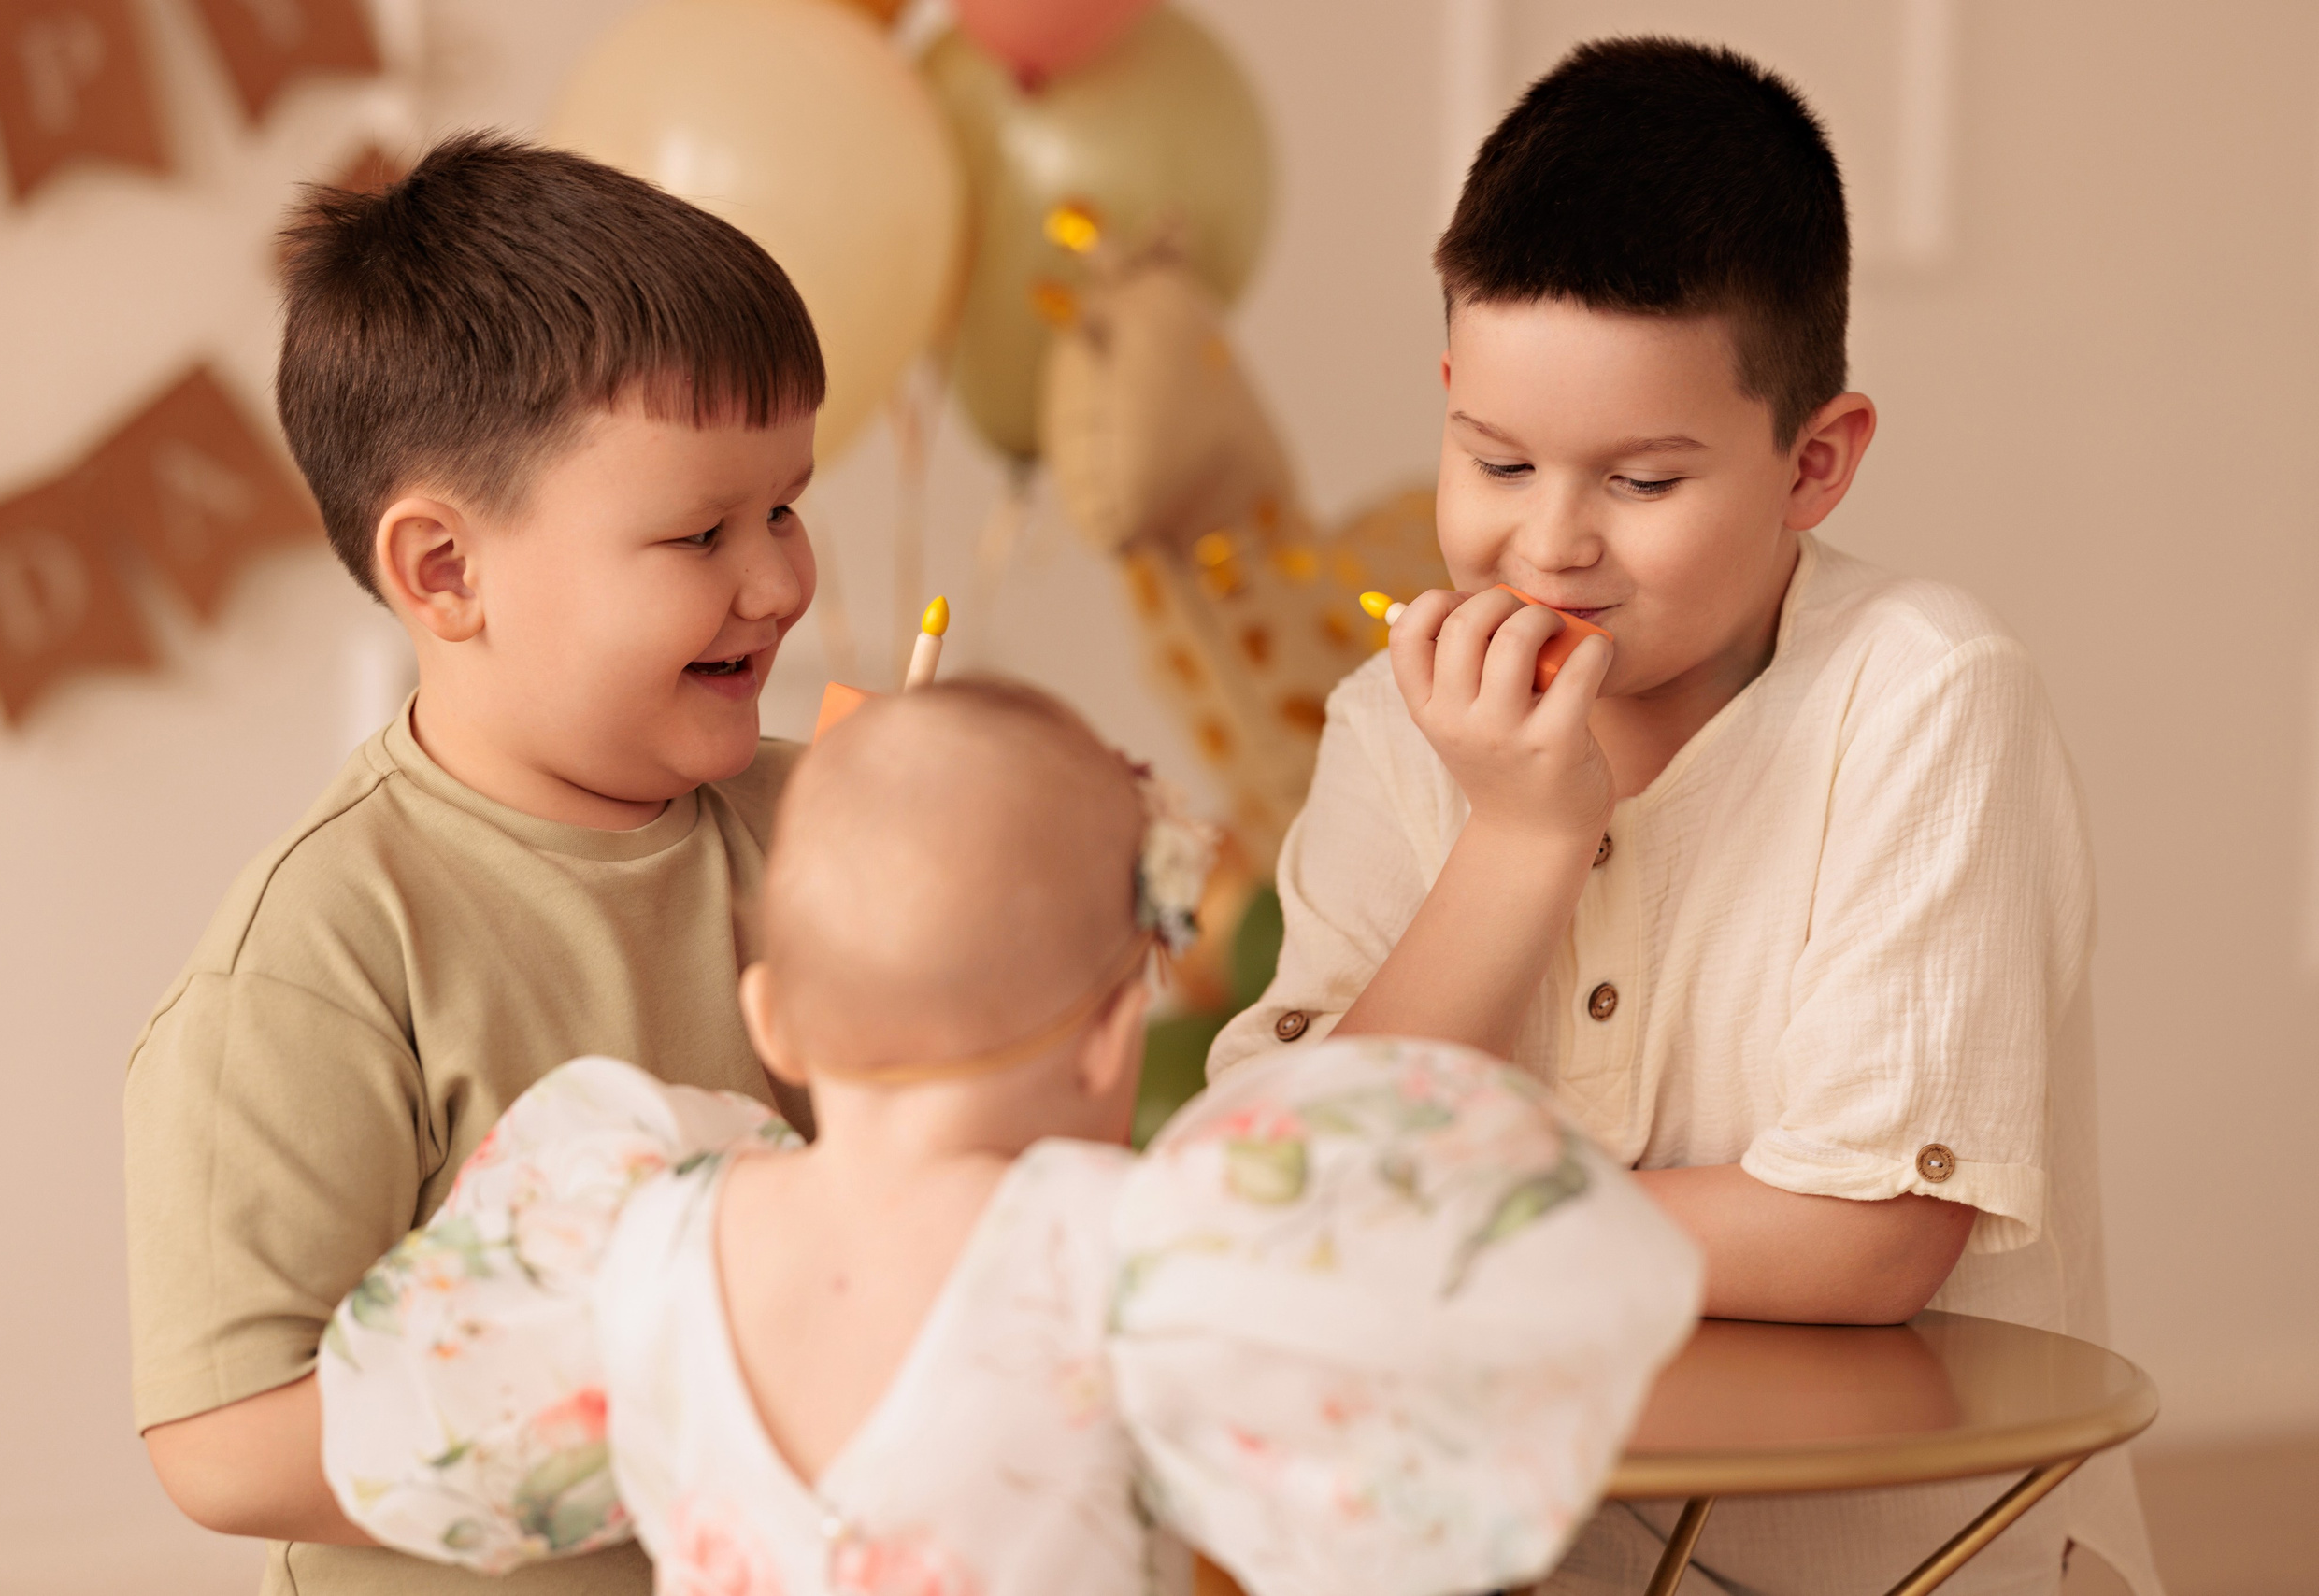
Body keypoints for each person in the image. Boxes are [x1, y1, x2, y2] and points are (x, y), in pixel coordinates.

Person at [1210, 37, 2162, 1596]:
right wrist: (1514, 840)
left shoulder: (1927, 697)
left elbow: (1860, 1246)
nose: (1551, 544)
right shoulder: (1396, 723)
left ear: (1816, 463)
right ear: (1448, 399)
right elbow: (1290, 1186)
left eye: (1644, 482)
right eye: (1497, 460)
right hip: (1512, 1548)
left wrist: (1419, 1214)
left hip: (1901, 1559)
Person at [314, 680, 1704, 1596]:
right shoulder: (1116, 1256)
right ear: (1113, 1035)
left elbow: (406, 1452)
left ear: (773, 1023)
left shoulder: (631, 1238)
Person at [124, 133, 823, 1596]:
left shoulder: (825, 833)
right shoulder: (320, 951)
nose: (778, 582)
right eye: (701, 530)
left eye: (786, 506)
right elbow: (223, 1445)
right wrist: (666, 1387)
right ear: (446, 572)